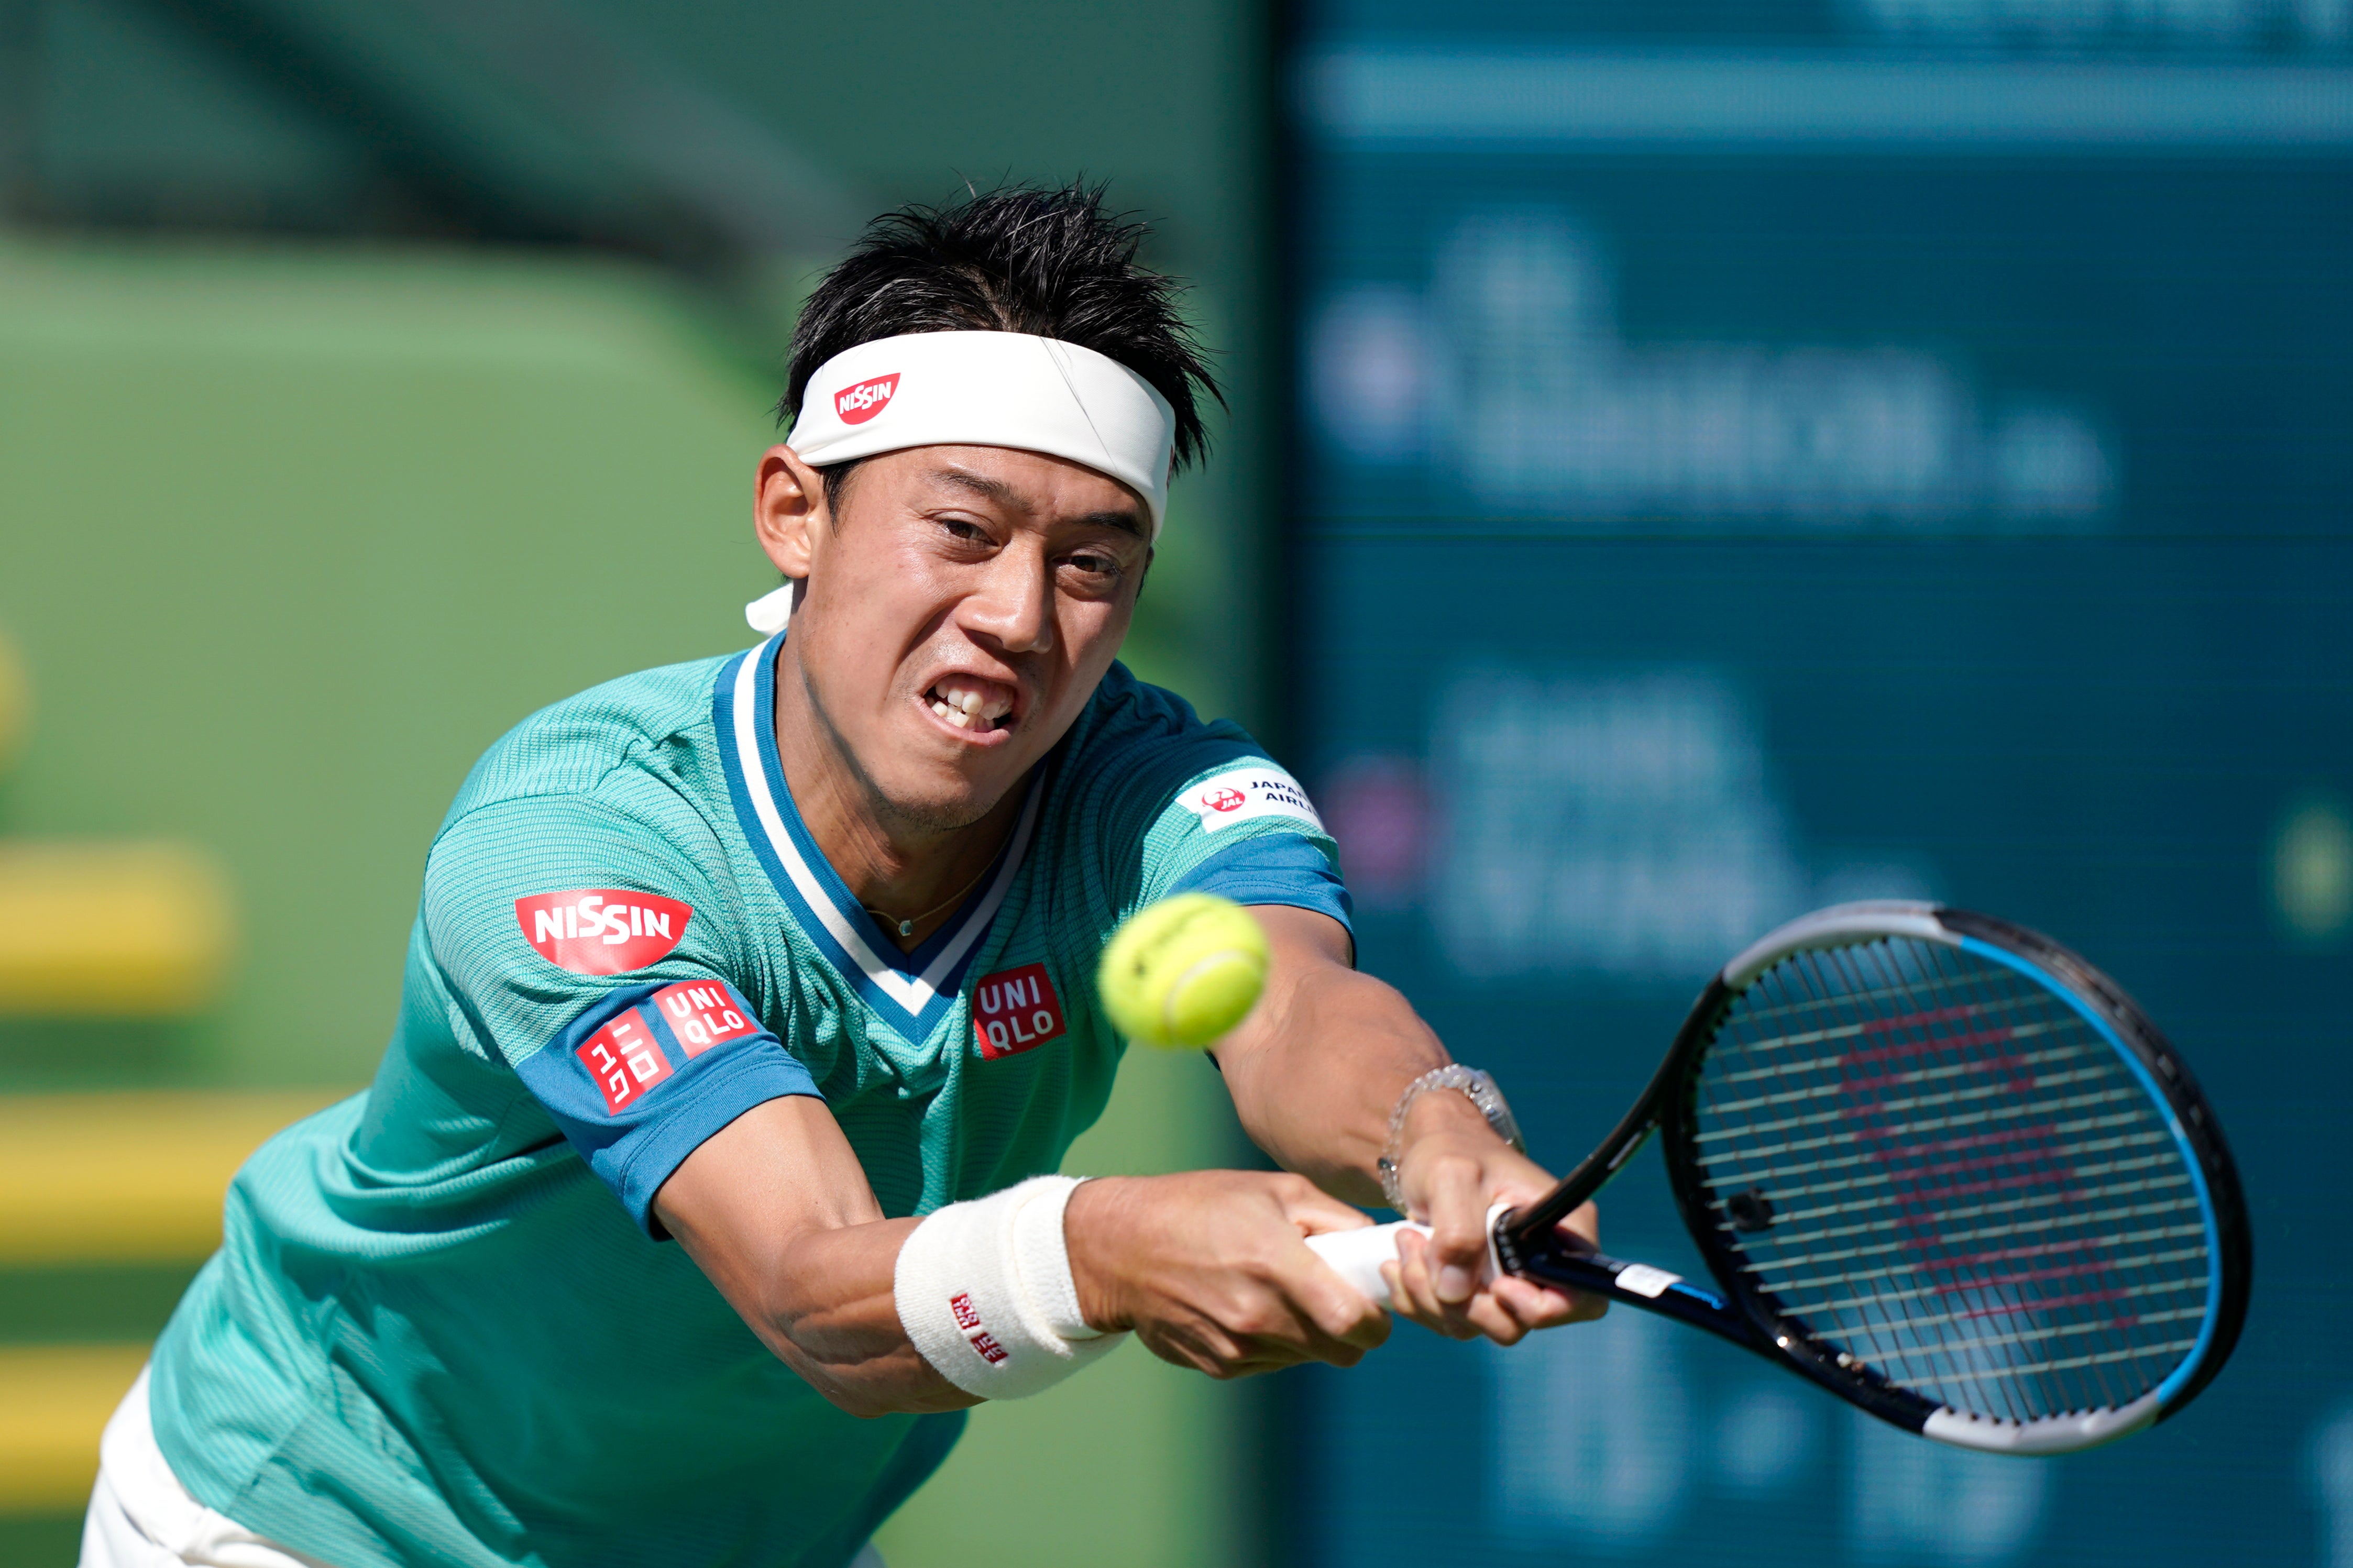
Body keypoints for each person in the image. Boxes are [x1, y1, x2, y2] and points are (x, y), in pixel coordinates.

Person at [82, 184, 1600, 1568]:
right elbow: (816, 1287)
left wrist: (1434, 1132)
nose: (1017, 613)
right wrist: (1111, 1246)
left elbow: (1294, 1005)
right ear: (794, 511)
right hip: (326, 1515)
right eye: (961, 529)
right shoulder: (572, 842)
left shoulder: (1157, 787)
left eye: (1093, 561)